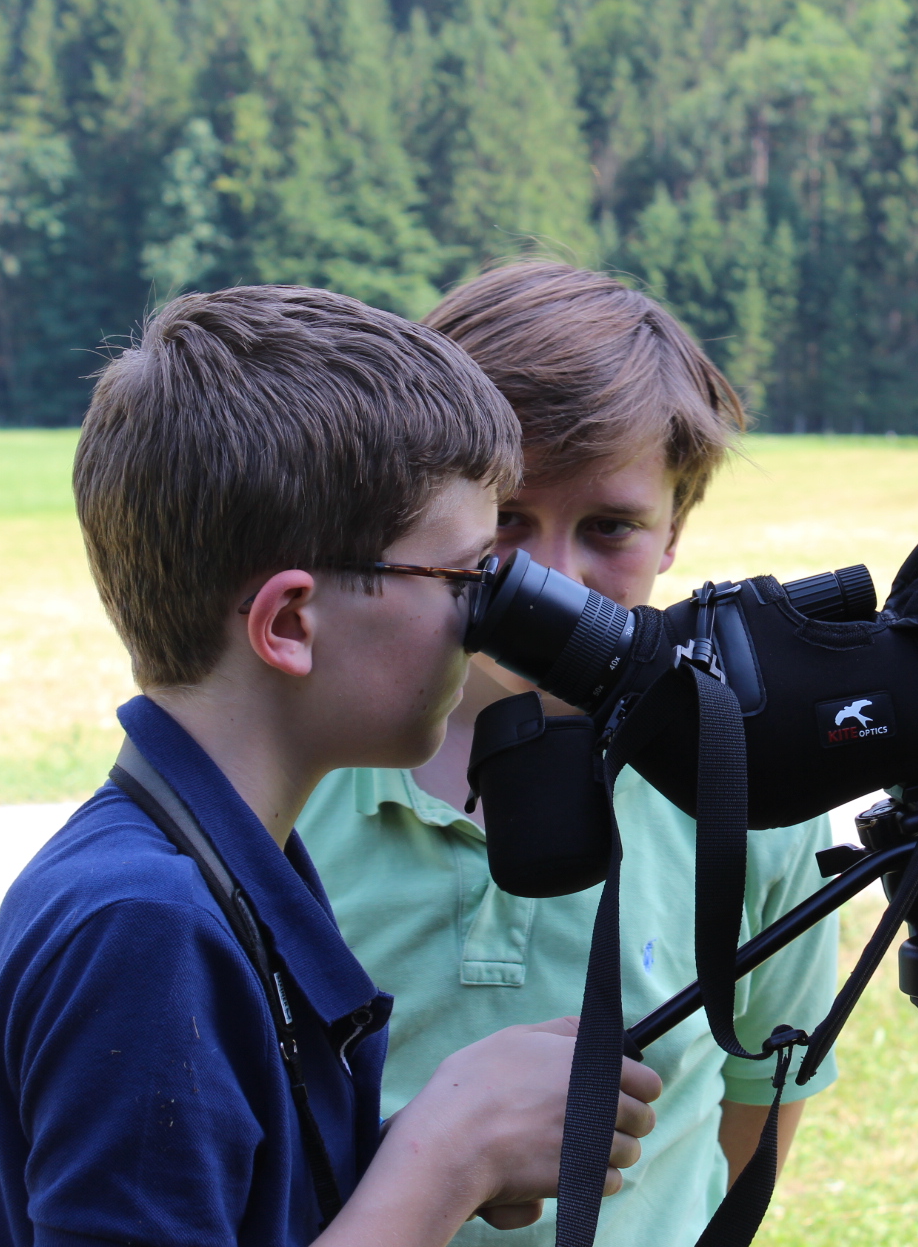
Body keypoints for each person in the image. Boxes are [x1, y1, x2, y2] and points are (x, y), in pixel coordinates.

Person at [0, 285, 661, 1247]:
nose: (494, 620)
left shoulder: (221, 866)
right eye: (466, 577)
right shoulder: (146, 929)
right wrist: (452, 1158)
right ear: (290, 624)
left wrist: (411, 1151)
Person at [296, 262, 840, 1246]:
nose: (555, 578)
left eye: (610, 527)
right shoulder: (299, 773)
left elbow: (754, 1107)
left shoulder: (757, 792)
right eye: (507, 519)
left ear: (676, 529)